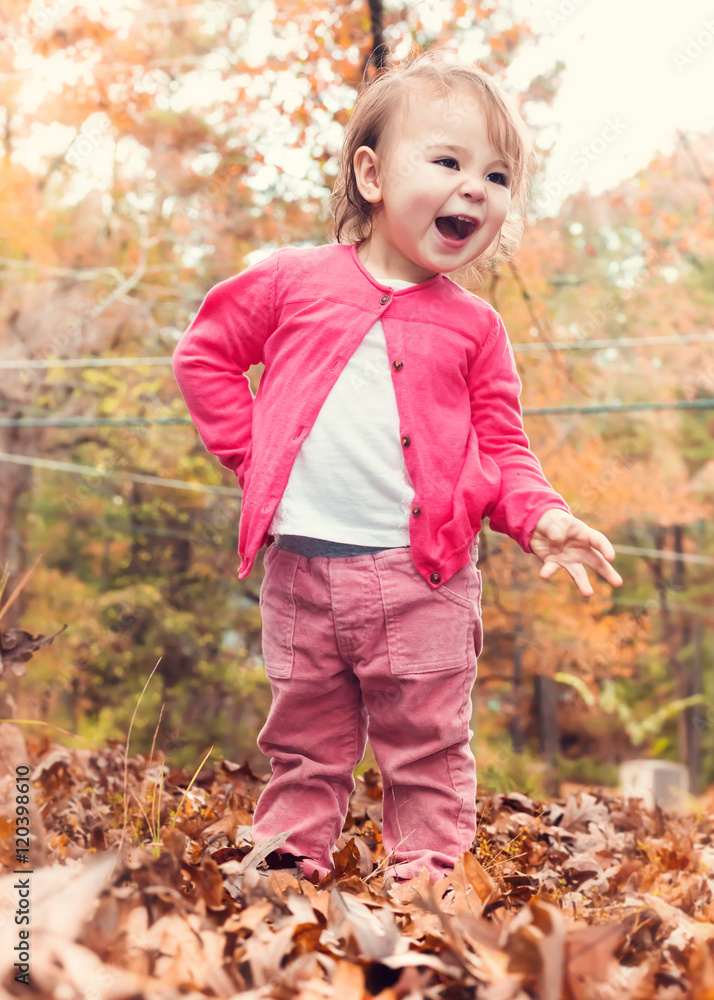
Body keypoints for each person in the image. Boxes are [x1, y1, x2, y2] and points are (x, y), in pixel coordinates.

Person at [172, 50, 623, 887]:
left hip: (424, 582)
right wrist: (252, 455)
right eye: (448, 162)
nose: (475, 188)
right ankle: (288, 862)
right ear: (372, 175)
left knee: (426, 745)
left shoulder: (476, 328)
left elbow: (502, 449)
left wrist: (543, 516)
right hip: (301, 571)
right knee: (305, 740)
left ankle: (427, 875)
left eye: (496, 175)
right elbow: (205, 358)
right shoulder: (290, 282)